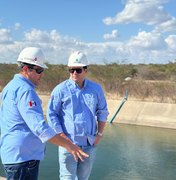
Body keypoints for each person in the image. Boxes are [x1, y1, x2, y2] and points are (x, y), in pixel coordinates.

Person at [0, 47, 88, 180]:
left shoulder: (10, 87)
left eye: (42, 70)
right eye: (39, 70)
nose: (41, 74)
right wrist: (69, 145)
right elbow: (40, 128)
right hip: (24, 158)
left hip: (13, 155)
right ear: (25, 69)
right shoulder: (26, 91)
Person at [47, 51, 109, 180]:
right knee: (67, 177)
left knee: (83, 178)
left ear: (85, 70)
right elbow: (51, 114)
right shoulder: (60, 89)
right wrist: (62, 136)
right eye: (71, 70)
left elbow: (102, 112)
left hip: (89, 144)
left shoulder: (96, 89)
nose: (74, 73)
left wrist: (99, 134)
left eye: (78, 70)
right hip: (68, 144)